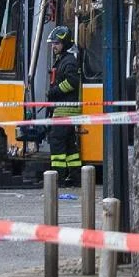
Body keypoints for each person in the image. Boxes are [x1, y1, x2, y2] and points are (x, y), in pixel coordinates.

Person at [45, 26, 82, 186]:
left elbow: (73, 82)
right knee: (69, 146)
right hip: (64, 111)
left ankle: (56, 178)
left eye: (57, 43)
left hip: (64, 111)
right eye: (53, 43)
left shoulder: (69, 61)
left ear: (65, 43)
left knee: (57, 142)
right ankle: (75, 176)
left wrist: (55, 91)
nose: (54, 46)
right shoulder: (63, 60)